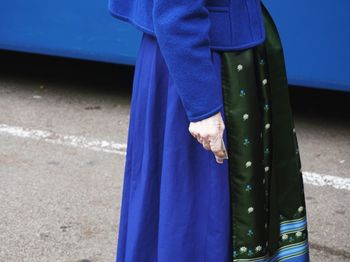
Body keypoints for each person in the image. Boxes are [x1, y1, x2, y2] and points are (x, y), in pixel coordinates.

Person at [108, 0, 310, 261]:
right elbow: (176, 12)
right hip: (206, 63)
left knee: (180, 207)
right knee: (197, 211)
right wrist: (202, 106)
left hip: (194, 55)